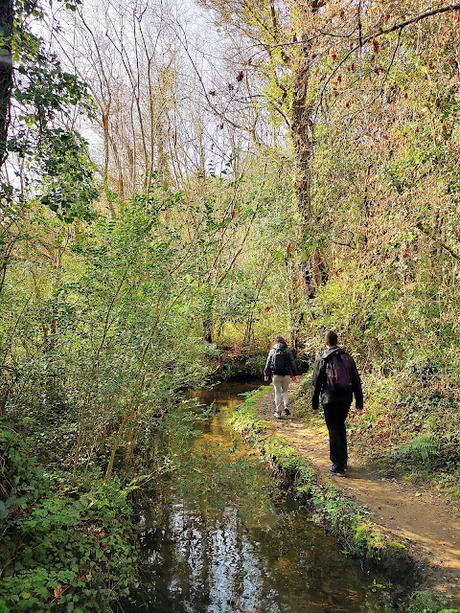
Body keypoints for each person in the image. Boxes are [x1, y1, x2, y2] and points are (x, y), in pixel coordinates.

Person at [311, 331, 363, 477]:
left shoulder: (323, 358)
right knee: (340, 426)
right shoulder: (347, 357)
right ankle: (343, 461)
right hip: (346, 398)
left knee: (333, 429)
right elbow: (356, 381)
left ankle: (337, 465)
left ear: (326, 342)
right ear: (336, 341)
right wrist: (359, 401)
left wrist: (314, 402)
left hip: (330, 399)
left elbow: (316, 383)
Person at [264, 336, 297, 419]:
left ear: (276, 342)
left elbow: (268, 363)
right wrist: (294, 374)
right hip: (286, 375)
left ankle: (278, 413)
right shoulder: (288, 350)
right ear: (284, 342)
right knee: (285, 391)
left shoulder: (272, 351)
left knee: (277, 393)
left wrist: (266, 374)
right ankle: (286, 407)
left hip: (275, 375)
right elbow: (292, 363)